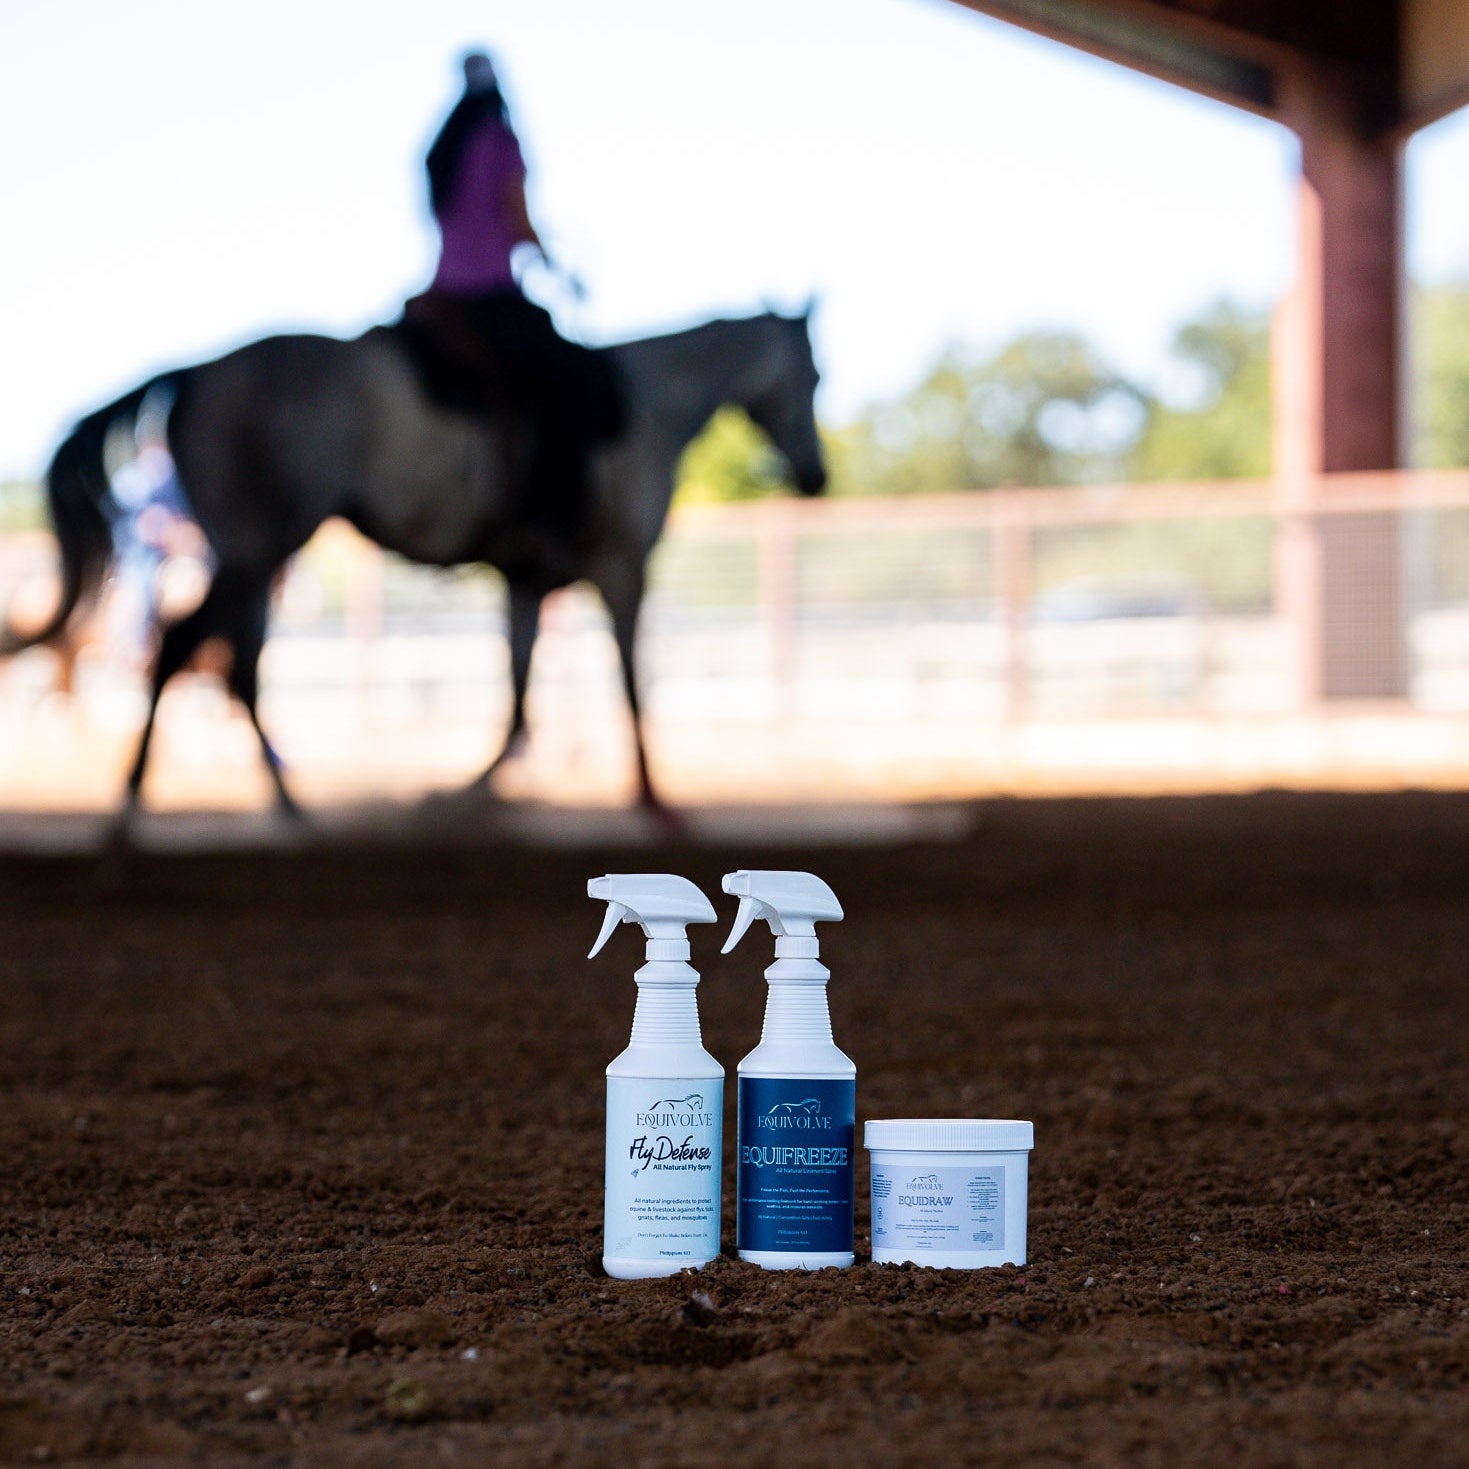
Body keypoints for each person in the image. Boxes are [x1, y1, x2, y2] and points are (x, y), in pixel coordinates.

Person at [423, 50, 621, 563]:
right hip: (489, 293)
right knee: (573, 381)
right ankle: (550, 521)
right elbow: (517, 220)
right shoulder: (498, 141)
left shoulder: (441, 148)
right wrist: (553, 264)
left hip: (442, 292)